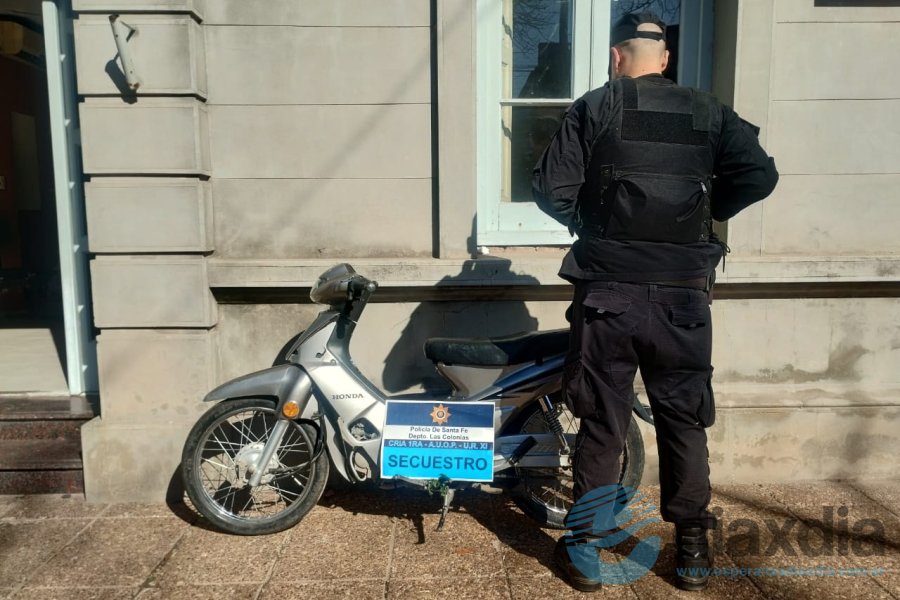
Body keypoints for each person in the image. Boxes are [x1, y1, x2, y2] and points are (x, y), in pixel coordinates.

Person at [532, 11, 779, 593]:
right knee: (684, 418)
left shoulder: (597, 104)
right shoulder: (710, 111)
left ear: (618, 58)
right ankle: (692, 547)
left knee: (602, 419)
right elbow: (760, 177)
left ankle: (588, 546)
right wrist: (701, 216)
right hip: (682, 297)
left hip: (607, 293)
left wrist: (596, 226)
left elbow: (550, 189)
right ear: (664, 60)